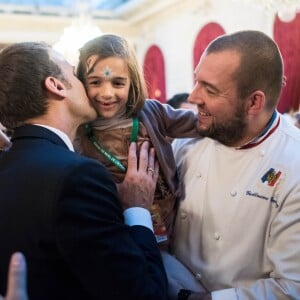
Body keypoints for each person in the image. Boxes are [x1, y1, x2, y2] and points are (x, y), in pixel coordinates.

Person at [0, 41, 167, 300]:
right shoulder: (77, 177)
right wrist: (137, 208)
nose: (85, 86)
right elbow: (144, 295)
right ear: (56, 86)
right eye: (74, 75)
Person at [170, 30, 300, 299]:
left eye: (210, 89)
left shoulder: (293, 164)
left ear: (254, 102)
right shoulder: (187, 140)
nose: (194, 97)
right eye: (196, 82)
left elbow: (292, 287)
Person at [75, 34, 199, 246]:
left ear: (132, 83)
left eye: (117, 83)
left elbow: (198, 124)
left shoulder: (151, 112)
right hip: (121, 233)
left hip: (173, 227)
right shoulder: (79, 131)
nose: (107, 93)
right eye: (95, 82)